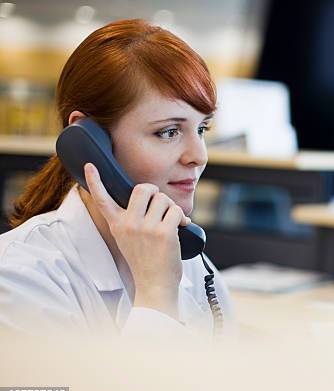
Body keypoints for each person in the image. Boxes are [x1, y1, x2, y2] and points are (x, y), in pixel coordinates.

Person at [0, 19, 233, 339]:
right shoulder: (18, 278)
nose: (199, 155)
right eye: (168, 131)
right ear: (88, 143)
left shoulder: (191, 262)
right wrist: (155, 296)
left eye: (202, 129)